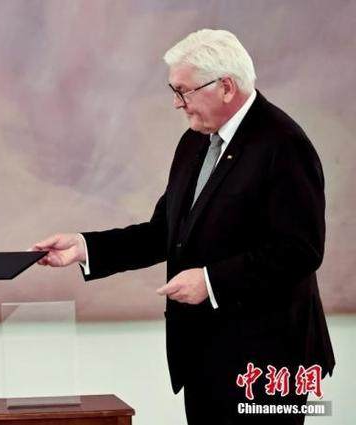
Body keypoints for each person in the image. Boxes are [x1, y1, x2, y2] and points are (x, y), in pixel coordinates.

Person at [32, 29, 335, 424]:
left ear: (226, 86)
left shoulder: (283, 143)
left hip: (265, 362)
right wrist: (85, 247)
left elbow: (300, 250)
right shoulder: (195, 142)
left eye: (183, 91)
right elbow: (166, 232)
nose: (177, 103)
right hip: (204, 355)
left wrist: (211, 281)